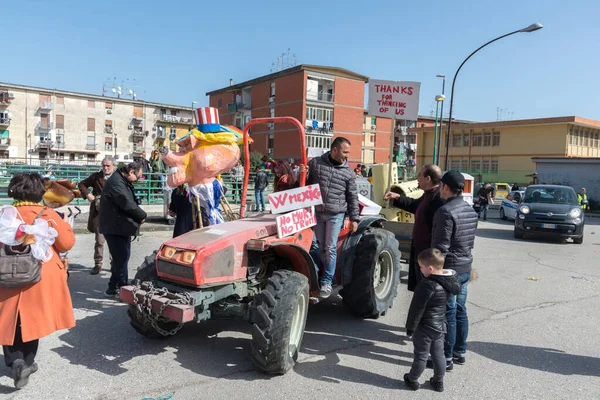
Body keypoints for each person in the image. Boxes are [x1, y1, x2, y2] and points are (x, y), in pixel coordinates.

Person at [0, 173, 75, 389]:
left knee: (9, 318)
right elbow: (67, 242)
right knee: (32, 319)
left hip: (6, 272)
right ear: (40, 192)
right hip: (39, 274)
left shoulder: (5, 214)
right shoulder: (48, 214)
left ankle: (16, 361)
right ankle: (27, 363)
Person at [431, 170, 478, 371]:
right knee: (460, 310)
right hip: (465, 266)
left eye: (441, 186)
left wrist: (432, 270)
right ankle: (460, 351)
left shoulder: (445, 212)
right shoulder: (470, 210)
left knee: (448, 312)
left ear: (446, 187)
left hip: (449, 269)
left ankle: (446, 357)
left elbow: (441, 248)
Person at [306, 137, 359, 298]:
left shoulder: (348, 173)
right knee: (316, 246)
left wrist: (354, 218)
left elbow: (352, 197)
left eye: (348, 152)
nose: (347, 156)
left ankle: (327, 282)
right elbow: (304, 185)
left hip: (336, 214)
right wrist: (300, 173)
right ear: (334, 150)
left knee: (330, 248)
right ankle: (318, 275)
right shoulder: (315, 164)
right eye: (345, 152)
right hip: (317, 212)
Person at [404, 248, 460, 392]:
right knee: (439, 355)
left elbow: (416, 309)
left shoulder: (426, 285)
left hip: (424, 328)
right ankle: (438, 381)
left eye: (421, 267)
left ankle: (412, 379)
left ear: (429, 268)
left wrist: (410, 328)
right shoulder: (449, 282)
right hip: (440, 326)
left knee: (421, 356)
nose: (421, 270)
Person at [383, 164, 444, 291]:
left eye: (419, 175)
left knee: (428, 290)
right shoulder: (427, 194)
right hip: (419, 249)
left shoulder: (439, 199)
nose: (417, 178)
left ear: (428, 179)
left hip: (429, 253)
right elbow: (414, 205)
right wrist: (398, 197)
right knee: (420, 288)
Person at [98, 162, 147, 298]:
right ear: (131, 172)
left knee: (121, 258)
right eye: (138, 176)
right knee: (121, 258)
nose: (138, 179)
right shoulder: (117, 183)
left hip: (118, 226)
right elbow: (127, 203)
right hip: (114, 227)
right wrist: (142, 215)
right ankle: (123, 289)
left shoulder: (120, 180)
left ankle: (112, 287)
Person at [78, 156, 117, 275]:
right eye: (104, 165)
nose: (105, 168)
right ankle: (98, 264)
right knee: (99, 241)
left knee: (114, 242)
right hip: (99, 213)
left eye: (108, 166)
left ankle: (114, 264)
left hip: (114, 215)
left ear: (114, 166)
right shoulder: (96, 177)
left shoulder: (118, 178)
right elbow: (81, 184)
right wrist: (88, 195)